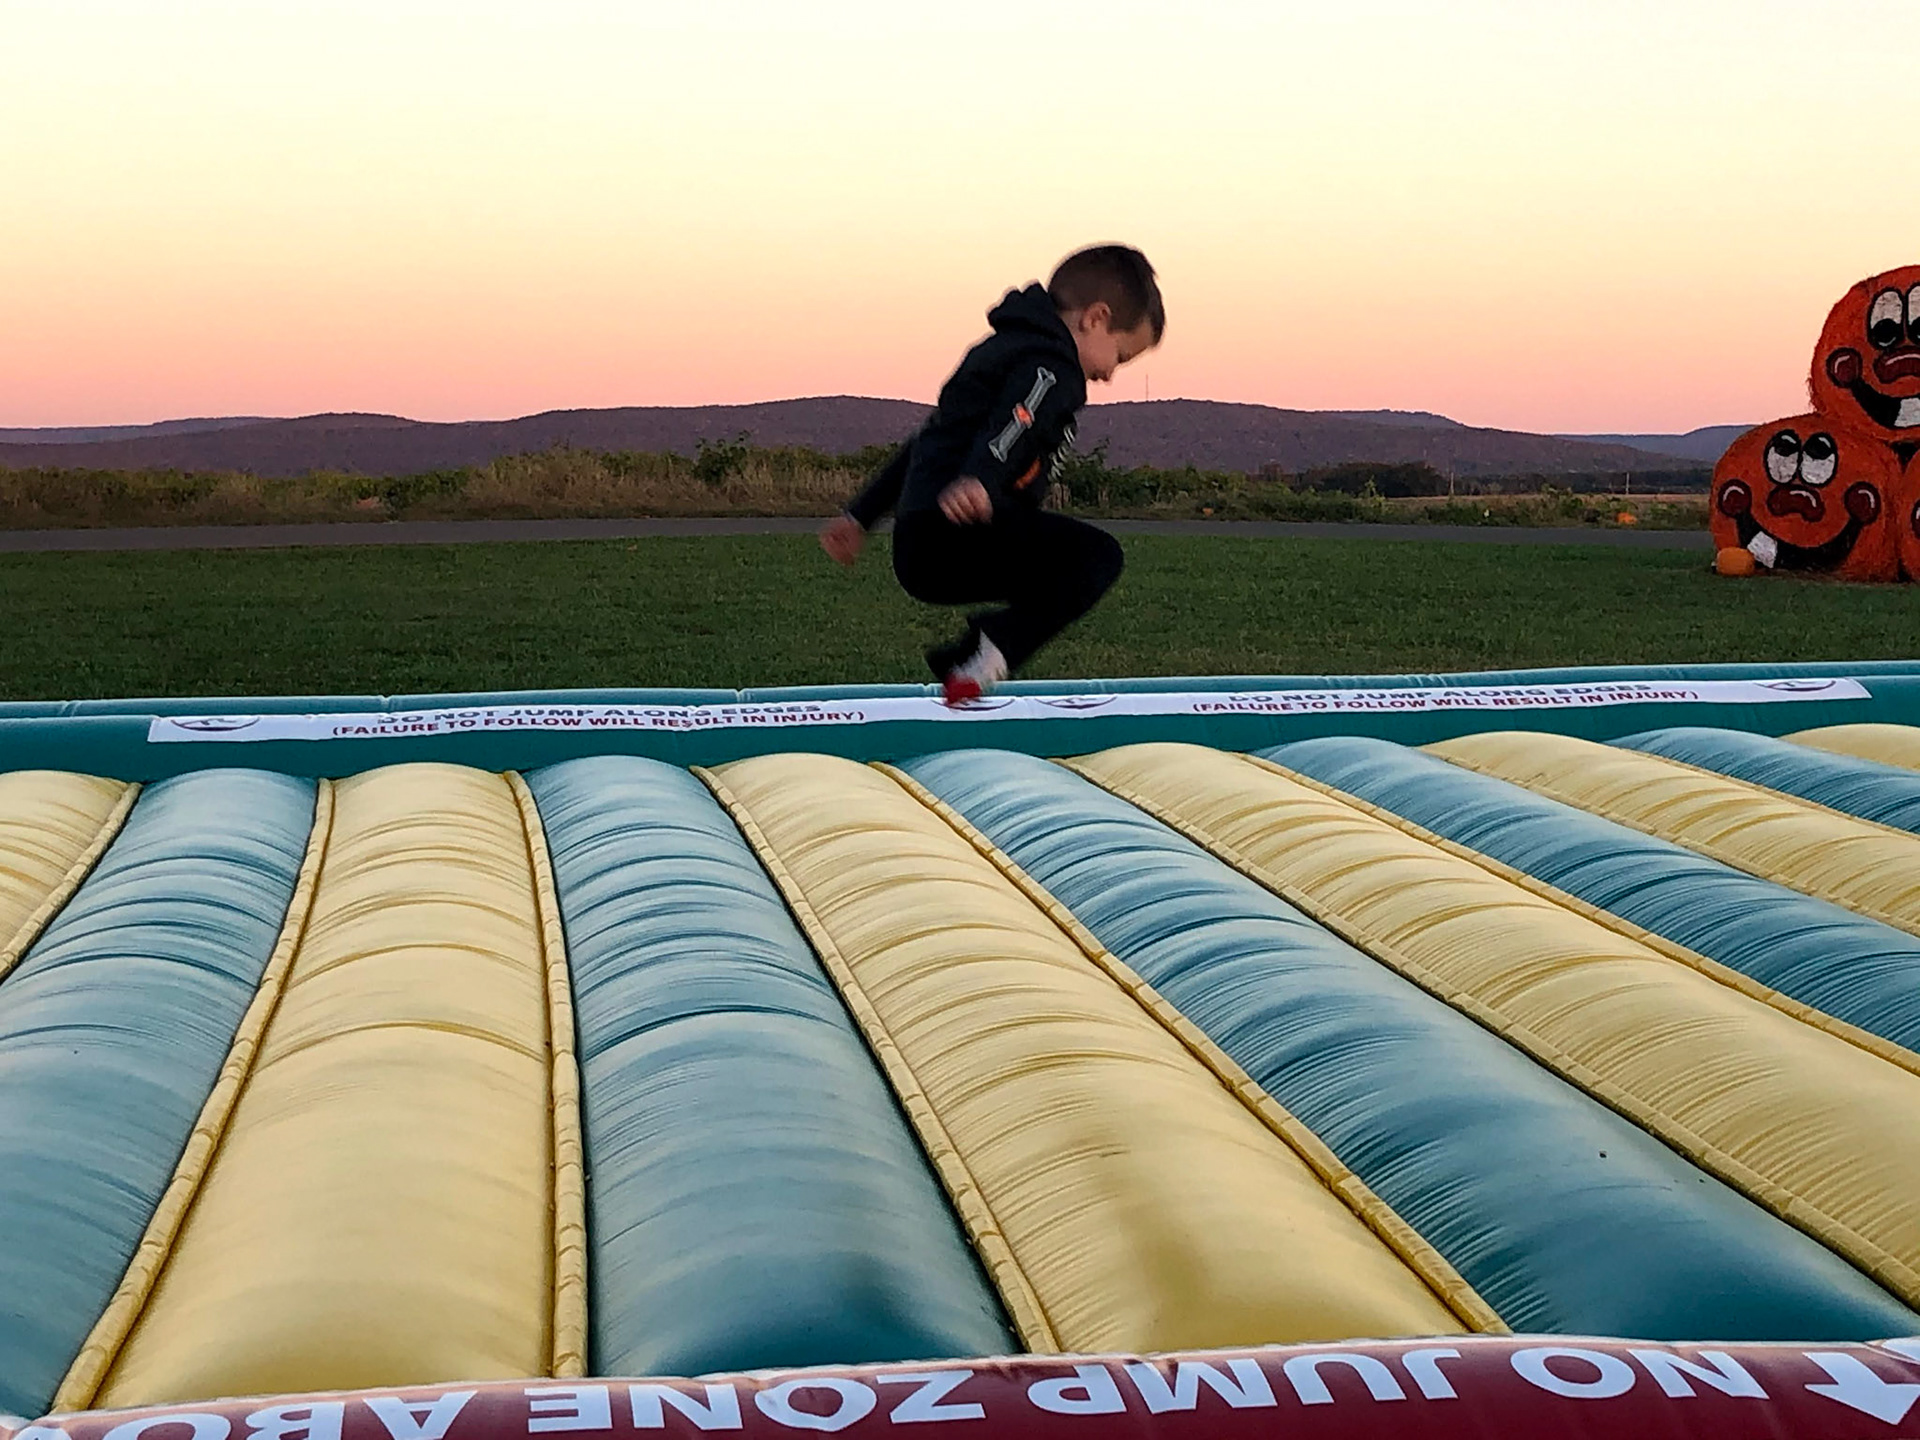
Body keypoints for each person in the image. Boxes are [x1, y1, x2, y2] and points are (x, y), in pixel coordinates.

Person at [819, 244, 1163, 702]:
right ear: (1095, 318)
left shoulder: (1000, 351)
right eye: (1118, 357)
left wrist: (861, 514)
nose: (1108, 376)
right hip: (962, 529)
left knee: (1060, 576)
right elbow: (1018, 417)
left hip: (919, 548)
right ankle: (989, 651)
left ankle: (965, 663)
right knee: (1097, 558)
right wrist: (980, 477)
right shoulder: (1052, 368)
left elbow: (926, 443)